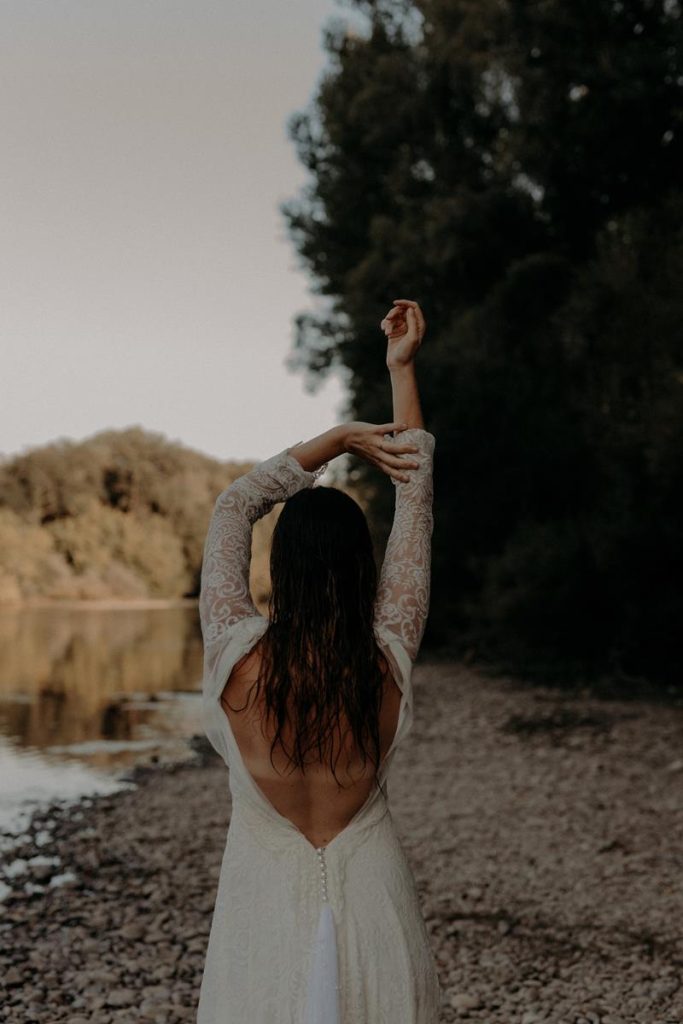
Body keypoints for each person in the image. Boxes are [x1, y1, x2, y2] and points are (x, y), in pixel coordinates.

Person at [196, 299, 442, 1022]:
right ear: (360, 567)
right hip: (372, 902)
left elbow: (233, 507)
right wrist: (401, 370)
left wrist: (333, 441)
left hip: (261, 909)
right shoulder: (387, 657)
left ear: (284, 569)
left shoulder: (233, 654)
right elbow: (415, 492)